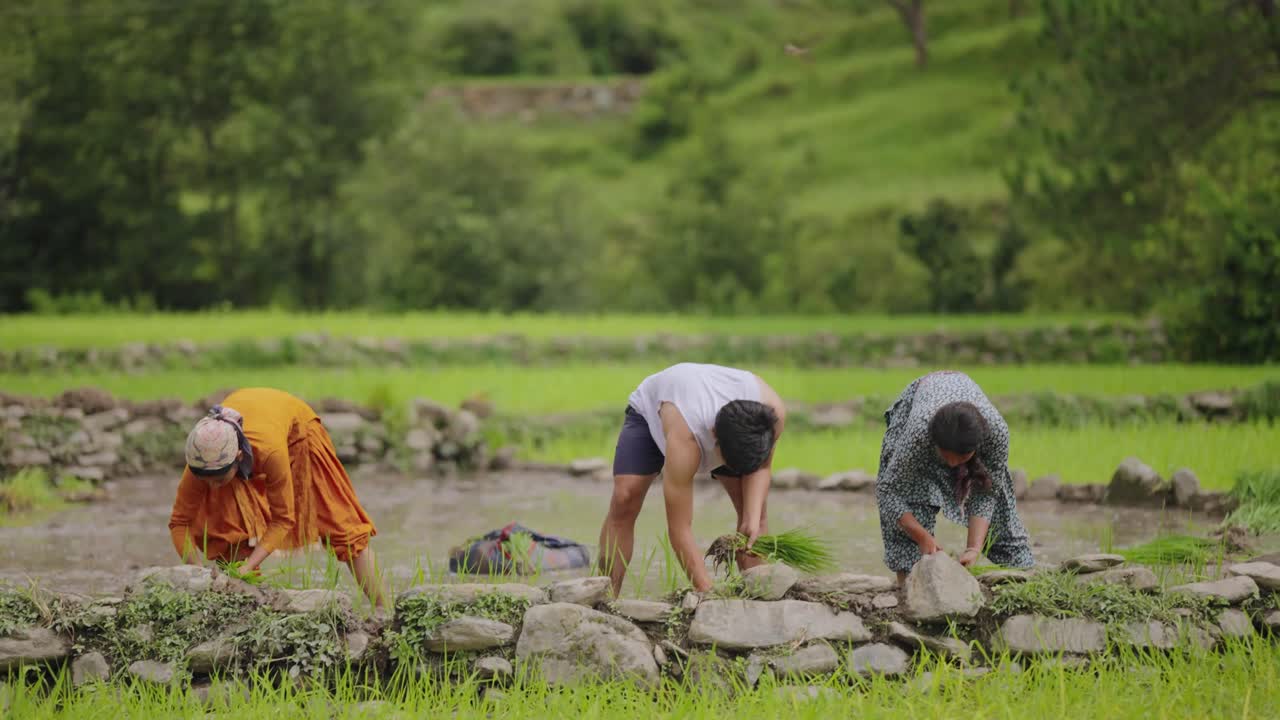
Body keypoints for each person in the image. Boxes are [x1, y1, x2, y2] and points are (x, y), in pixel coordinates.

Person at [168, 387, 387, 609]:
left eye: (219, 479)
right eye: (205, 480)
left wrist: (248, 565)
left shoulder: (270, 453)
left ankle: (383, 610)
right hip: (246, 429)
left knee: (342, 527)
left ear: (239, 457)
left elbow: (283, 519)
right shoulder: (203, 459)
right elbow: (179, 522)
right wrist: (198, 572)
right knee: (225, 529)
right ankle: (247, 606)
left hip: (297, 431)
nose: (212, 486)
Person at [597, 362, 786, 596]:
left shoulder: (770, 415)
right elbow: (679, 527)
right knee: (625, 497)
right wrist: (708, 593)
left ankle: (758, 594)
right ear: (714, 438)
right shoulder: (685, 438)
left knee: (755, 520)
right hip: (654, 413)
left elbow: (762, 466)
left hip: (727, 428)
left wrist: (754, 517)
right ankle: (606, 597)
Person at [875, 370, 1034, 584]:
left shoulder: (996, 434)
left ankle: (1021, 579)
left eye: (960, 458)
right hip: (921, 399)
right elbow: (888, 491)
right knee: (910, 497)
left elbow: (987, 494)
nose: (951, 464)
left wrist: (973, 548)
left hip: (967, 416)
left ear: (977, 447)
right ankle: (909, 585)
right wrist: (922, 537)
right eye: (946, 456)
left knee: (1000, 510)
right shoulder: (918, 432)